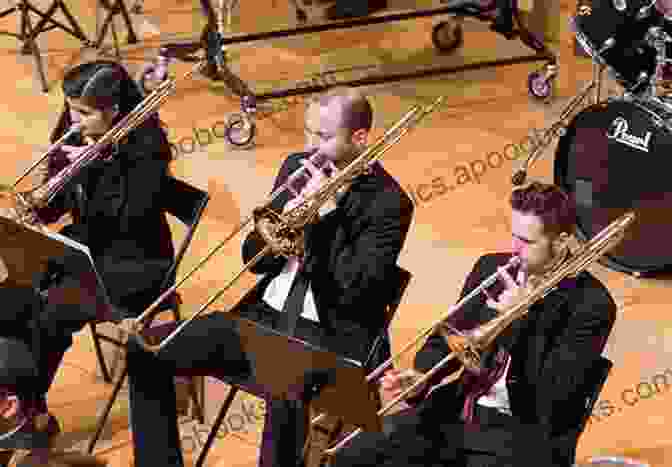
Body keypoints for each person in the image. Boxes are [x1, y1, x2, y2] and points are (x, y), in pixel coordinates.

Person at [123, 86, 414, 467]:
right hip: (262, 318)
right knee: (145, 348)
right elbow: (252, 260)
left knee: (285, 383)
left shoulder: (388, 203)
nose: (311, 146)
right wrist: (276, 235)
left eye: (324, 137)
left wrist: (318, 225)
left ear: (359, 138)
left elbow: (356, 291)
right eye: (308, 132)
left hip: (325, 333)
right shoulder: (298, 167)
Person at [330, 181, 617, 467]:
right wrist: (422, 376)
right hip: (459, 411)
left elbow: (553, 396)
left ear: (562, 241)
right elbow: (450, 334)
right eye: (514, 236)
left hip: (520, 432)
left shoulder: (591, 305)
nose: (515, 250)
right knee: (354, 455)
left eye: (528, 242)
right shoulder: (492, 267)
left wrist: (520, 317)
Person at [0, 60, 174, 452]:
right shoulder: (73, 134)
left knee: (49, 312)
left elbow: (128, 220)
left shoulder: (147, 150)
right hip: (81, 250)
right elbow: (53, 204)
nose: (73, 120)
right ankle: (23, 408)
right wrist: (34, 209)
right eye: (71, 108)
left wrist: (92, 165)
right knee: (9, 300)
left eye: (83, 112)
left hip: (135, 263)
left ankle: (27, 415)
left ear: (113, 110)